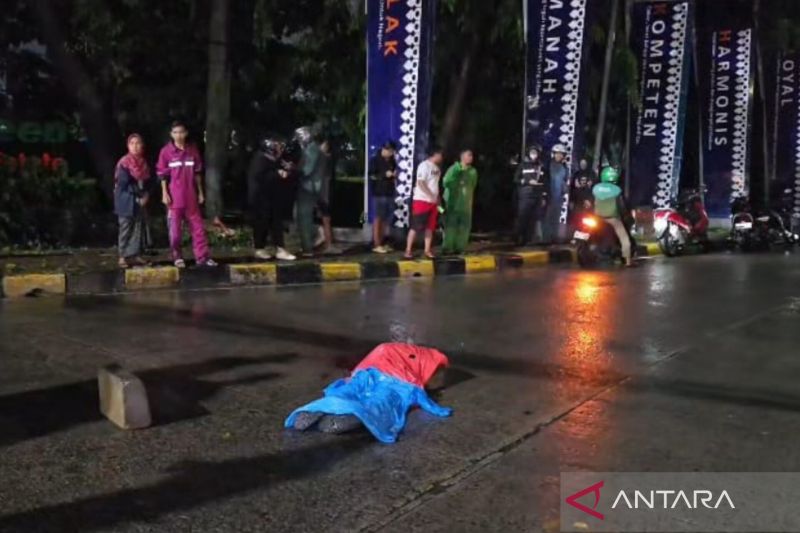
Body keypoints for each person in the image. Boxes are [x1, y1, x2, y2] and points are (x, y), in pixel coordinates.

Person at [157, 120, 217, 268]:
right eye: (175, 132)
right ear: (171, 134)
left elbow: (197, 173)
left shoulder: (192, 150)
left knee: (198, 228)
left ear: (186, 133)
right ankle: (177, 256)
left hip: (191, 196)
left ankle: (202, 257)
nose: (178, 135)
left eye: (181, 132)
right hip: (174, 197)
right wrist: (164, 193)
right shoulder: (166, 152)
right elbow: (162, 175)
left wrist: (200, 193)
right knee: (175, 232)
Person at [247, 136, 296, 261]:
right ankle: (260, 249)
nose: (280, 149)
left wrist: (288, 169)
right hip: (261, 198)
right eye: (277, 146)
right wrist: (277, 174)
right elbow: (260, 177)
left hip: (271, 197)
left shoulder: (273, 159)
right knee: (262, 223)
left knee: (275, 223)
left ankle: (279, 249)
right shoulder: (260, 159)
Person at [114, 134, 152, 269]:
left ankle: (135, 255)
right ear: (128, 146)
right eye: (132, 143)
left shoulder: (143, 163)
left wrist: (146, 195)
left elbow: (147, 182)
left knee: (138, 228)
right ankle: (122, 256)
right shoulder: (124, 163)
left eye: (138, 143)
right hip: (126, 200)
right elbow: (123, 184)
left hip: (140, 200)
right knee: (125, 228)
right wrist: (137, 196)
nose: (135, 146)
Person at [405, 148, 444, 259]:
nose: (441, 157)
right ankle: (408, 250)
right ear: (435, 154)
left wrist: (438, 200)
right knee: (416, 226)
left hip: (433, 202)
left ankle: (427, 250)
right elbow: (420, 182)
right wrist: (430, 195)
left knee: (430, 227)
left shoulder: (437, 169)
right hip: (421, 201)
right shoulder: (424, 166)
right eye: (440, 154)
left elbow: (435, 185)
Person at [592, 166, 633, 267]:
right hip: (612, 218)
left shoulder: (596, 188)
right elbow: (622, 206)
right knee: (624, 238)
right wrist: (626, 215)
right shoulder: (617, 190)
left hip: (597, 217)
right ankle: (628, 261)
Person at [441, 149, 479, 255]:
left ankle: (460, 248)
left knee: (464, 227)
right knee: (451, 227)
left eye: (472, 155)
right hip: (453, 203)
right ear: (462, 157)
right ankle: (448, 247)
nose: (471, 158)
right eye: (469, 155)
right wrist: (457, 173)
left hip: (466, 204)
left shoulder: (473, 171)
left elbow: (473, 186)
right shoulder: (454, 168)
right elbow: (446, 182)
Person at [295, 127, 322, 257]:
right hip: (308, 186)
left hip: (308, 187)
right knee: (299, 216)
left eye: (300, 136)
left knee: (303, 217)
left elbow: (306, 170)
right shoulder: (310, 148)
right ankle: (307, 245)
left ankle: (308, 248)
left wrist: (293, 171)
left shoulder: (311, 149)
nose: (298, 139)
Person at [514, 145, 549, 246]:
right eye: (532, 152)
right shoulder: (523, 165)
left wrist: (544, 196)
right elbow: (516, 179)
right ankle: (518, 238)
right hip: (525, 195)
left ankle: (527, 239)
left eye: (535, 153)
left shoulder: (541, 167)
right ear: (528, 154)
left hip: (537, 195)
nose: (534, 155)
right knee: (522, 217)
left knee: (532, 219)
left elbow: (545, 183)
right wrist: (528, 182)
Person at [368, 141, 398, 254]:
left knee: (386, 218)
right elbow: (371, 176)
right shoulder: (375, 160)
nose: (391, 154)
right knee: (378, 218)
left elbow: (393, 172)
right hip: (379, 193)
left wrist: (394, 175)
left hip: (389, 192)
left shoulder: (392, 160)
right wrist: (384, 175)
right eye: (389, 151)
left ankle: (382, 241)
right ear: (384, 149)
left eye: (392, 152)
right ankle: (376, 244)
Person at [313, 139, 342, 254]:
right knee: (324, 219)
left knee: (326, 219)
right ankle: (325, 241)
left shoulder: (324, 159)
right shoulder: (326, 159)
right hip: (324, 193)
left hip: (324, 193)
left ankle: (328, 243)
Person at [543, 144, 570, 243]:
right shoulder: (547, 165)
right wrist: (544, 194)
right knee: (547, 217)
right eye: (557, 153)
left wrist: (565, 191)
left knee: (556, 217)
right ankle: (546, 238)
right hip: (549, 195)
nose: (559, 156)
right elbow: (544, 179)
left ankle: (554, 237)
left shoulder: (564, 167)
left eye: (561, 154)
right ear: (553, 154)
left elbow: (565, 181)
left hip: (559, 197)